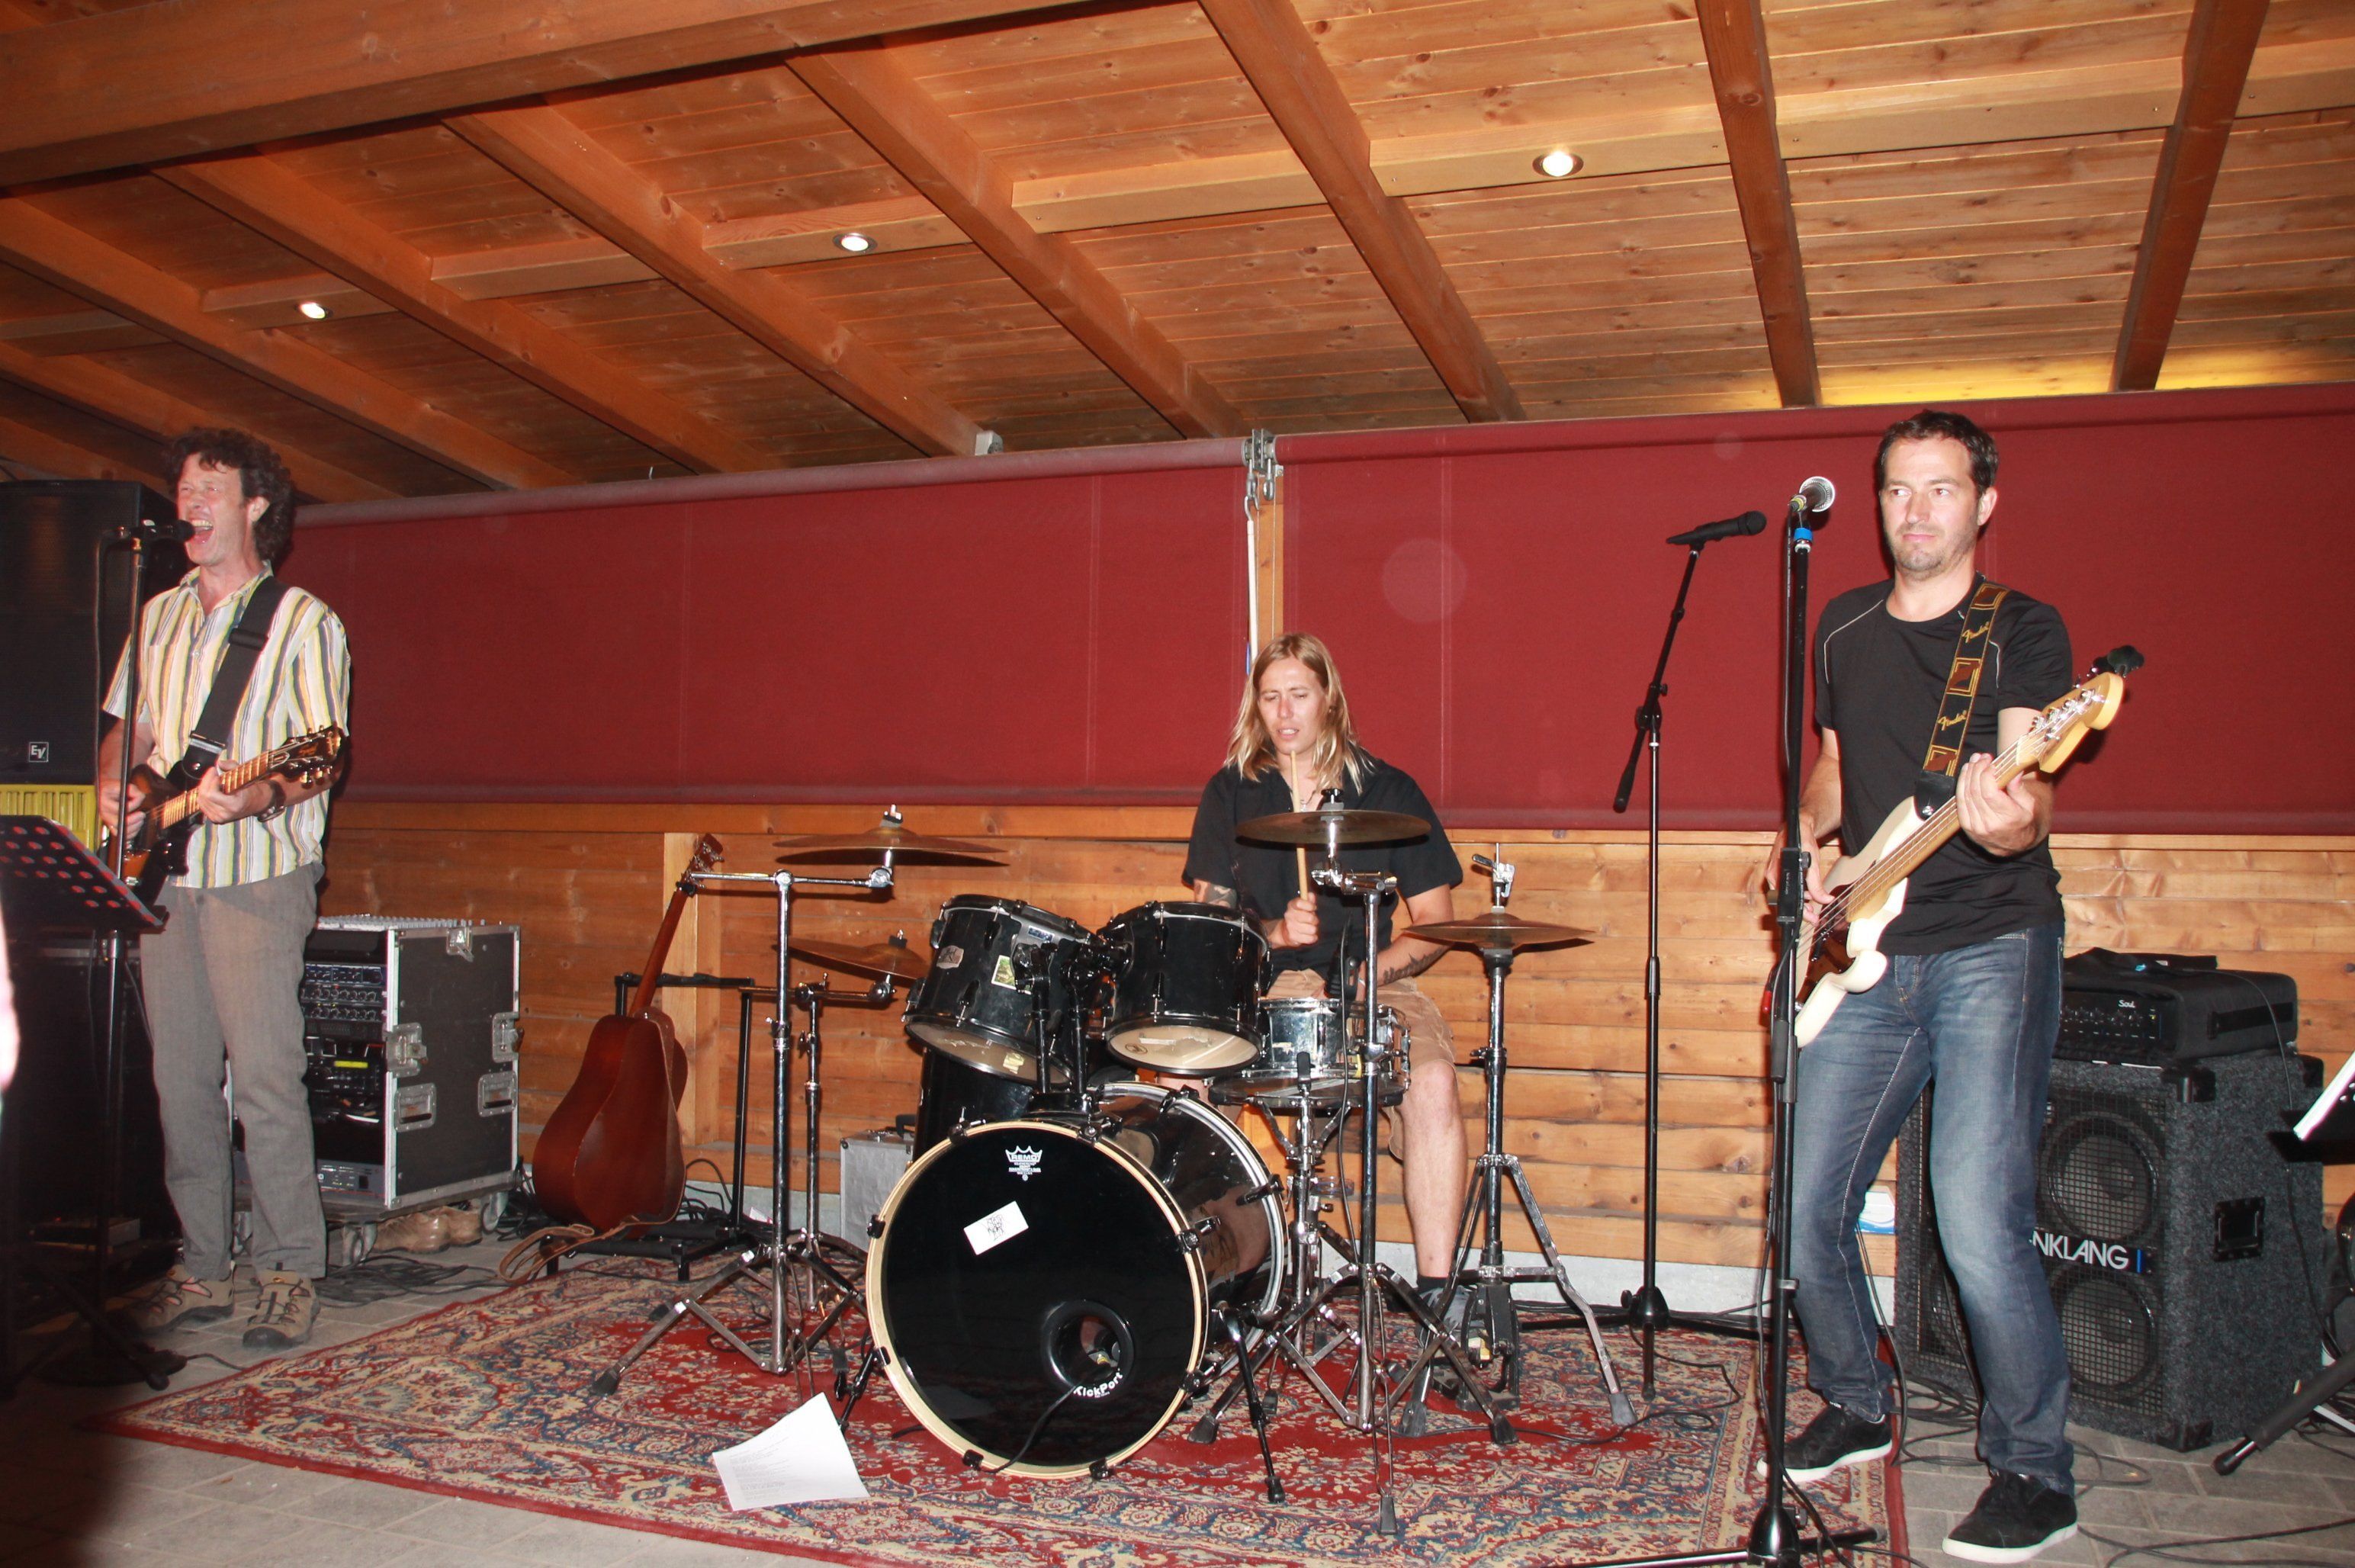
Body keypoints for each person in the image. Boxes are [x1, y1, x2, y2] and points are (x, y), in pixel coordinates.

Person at [1777, 410, 2077, 1563]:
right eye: (1898, 489)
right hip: (1866, 946)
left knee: (1976, 1215)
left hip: (1992, 942)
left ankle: (2035, 1469)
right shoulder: (1843, 625)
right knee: (1804, 1204)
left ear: (1983, 504)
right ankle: (1858, 1399)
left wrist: (2006, 822)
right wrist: (1812, 844)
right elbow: (1834, 769)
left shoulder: (2021, 629)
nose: (1915, 511)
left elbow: (2026, 799)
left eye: (1941, 489)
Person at [95, 429, 350, 1353]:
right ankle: (200, 1263)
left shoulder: (302, 620)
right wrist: (114, 784)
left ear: (255, 506)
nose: (190, 500)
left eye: (211, 486)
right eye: (183, 486)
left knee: (266, 1078)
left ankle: (289, 1268)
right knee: (178, 1080)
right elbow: (129, 730)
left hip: (257, 874)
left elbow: (320, 755)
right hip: (167, 876)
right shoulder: (157, 612)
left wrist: (257, 793)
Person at [1183, 634, 1466, 1307]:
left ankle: (1438, 1294)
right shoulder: (1231, 793)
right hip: (1264, 984)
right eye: (1270, 698)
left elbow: (1436, 922)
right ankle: (1203, 1280)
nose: (1284, 713)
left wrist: (1374, 973)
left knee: (1432, 1082)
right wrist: (1274, 933)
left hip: (1373, 982)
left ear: (1328, 700)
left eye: (1298, 696)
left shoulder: (1388, 790)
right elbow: (1210, 924)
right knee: (1182, 1078)